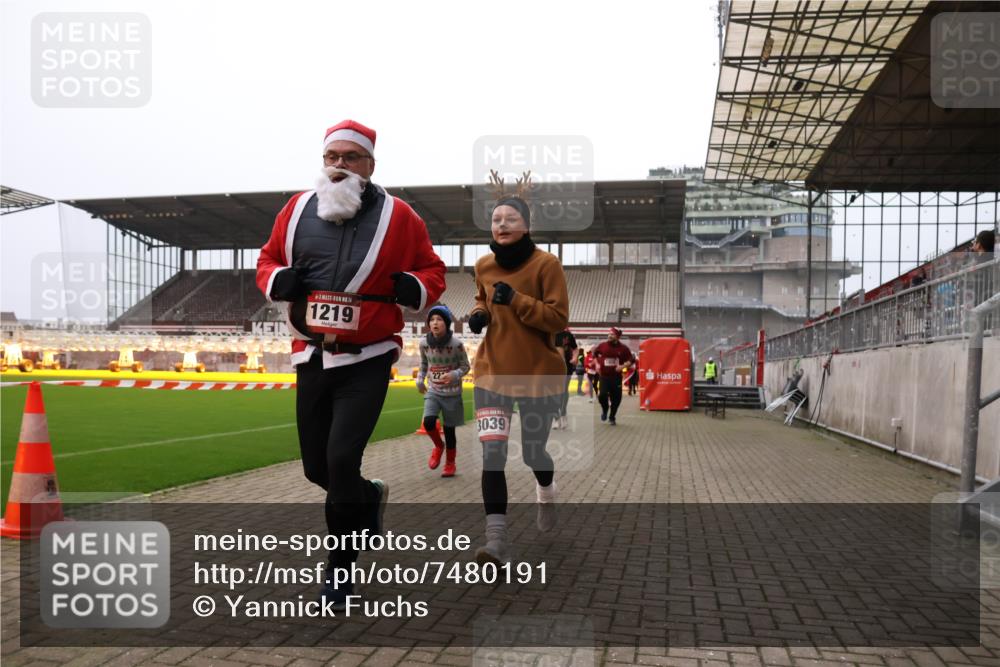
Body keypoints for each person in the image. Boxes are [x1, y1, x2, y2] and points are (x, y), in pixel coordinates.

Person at [255, 119, 446, 608]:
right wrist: (277, 280)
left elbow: (433, 270)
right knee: (317, 468)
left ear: (370, 166)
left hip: (368, 358)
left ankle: (339, 573)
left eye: (350, 157)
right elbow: (267, 259)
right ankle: (368, 495)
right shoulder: (296, 209)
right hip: (312, 356)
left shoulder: (401, 216)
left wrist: (415, 287)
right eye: (331, 156)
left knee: (341, 461)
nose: (339, 165)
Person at [466, 180, 569, 565]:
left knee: (532, 453)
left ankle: (546, 493)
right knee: (492, 455)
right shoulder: (483, 265)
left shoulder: (547, 264)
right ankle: (496, 541)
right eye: (496, 219)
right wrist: (479, 313)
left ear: (526, 225)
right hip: (492, 373)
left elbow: (558, 318)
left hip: (537, 374)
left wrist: (517, 300)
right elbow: (482, 298)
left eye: (510, 219)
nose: (502, 224)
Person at [416, 304, 469, 478]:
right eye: (432, 320)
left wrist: (454, 374)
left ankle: (450, 463)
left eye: (439, 319)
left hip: (452, 393)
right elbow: (424, 364)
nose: (435, 323)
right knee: (429, 422)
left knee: (449, 431)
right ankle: (439, 446)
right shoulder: (424, 343)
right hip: (434, 390)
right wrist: (419, 379)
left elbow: (465, 366)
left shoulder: (457, 344)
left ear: (446, 323)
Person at [593, 328, 634, 426]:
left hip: (616, 378)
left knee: (616, 399)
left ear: (617, 337)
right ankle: (605, 409)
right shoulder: (603, 346)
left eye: (612, 334)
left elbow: (631, 360)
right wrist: (597, 364)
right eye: (609, 334)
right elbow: (595, 355)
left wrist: (622, 366)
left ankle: (612, 417)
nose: (609, 336)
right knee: (602, 396)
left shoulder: (623, 348)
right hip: (604, 377)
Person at [553, 327, 578, 429]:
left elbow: (575, 349)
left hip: (566, 367)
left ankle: (563, 414)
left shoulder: (568, 335)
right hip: (551, 367)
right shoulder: (547, 333)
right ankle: (556, 417)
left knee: (563, 391)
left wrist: (575, 358)